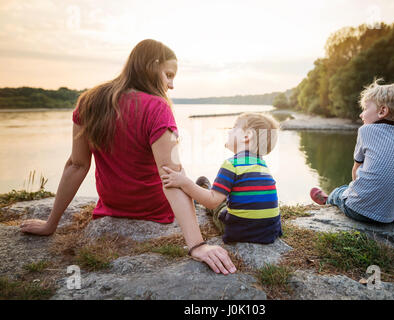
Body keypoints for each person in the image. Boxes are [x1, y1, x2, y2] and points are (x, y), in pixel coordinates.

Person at [19, 39, 236, 275]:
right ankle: (204, 194)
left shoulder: (89, 101)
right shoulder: (157, 107)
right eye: (169, 75)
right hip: (154, 207)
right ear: (152, 66)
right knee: (187, 179)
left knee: (188, 181)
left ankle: (199, 189)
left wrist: (51, 224)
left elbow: (77, 164)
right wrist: (197, 245)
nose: (171, 85)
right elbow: (171, 177)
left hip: (113, 204)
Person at [310, 79, 394, 226]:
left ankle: (327, 199)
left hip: (358, 210)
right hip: (388, 215)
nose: (361, 115)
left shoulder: (366, 130)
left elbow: (356, 170)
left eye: (365, 109)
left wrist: (358, 194)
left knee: (340, 191)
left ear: (382, 111)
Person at [161, 113, 282, 244]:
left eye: (234, 128)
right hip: (270, 231)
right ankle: (206, 187)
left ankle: (204, 188)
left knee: (218, 208)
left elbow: (212, 201)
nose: (229, 131)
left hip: (242, 231)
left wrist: (184, 182)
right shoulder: (263, 166)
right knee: (226, 199)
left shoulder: (232, 164)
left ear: (247, 136)